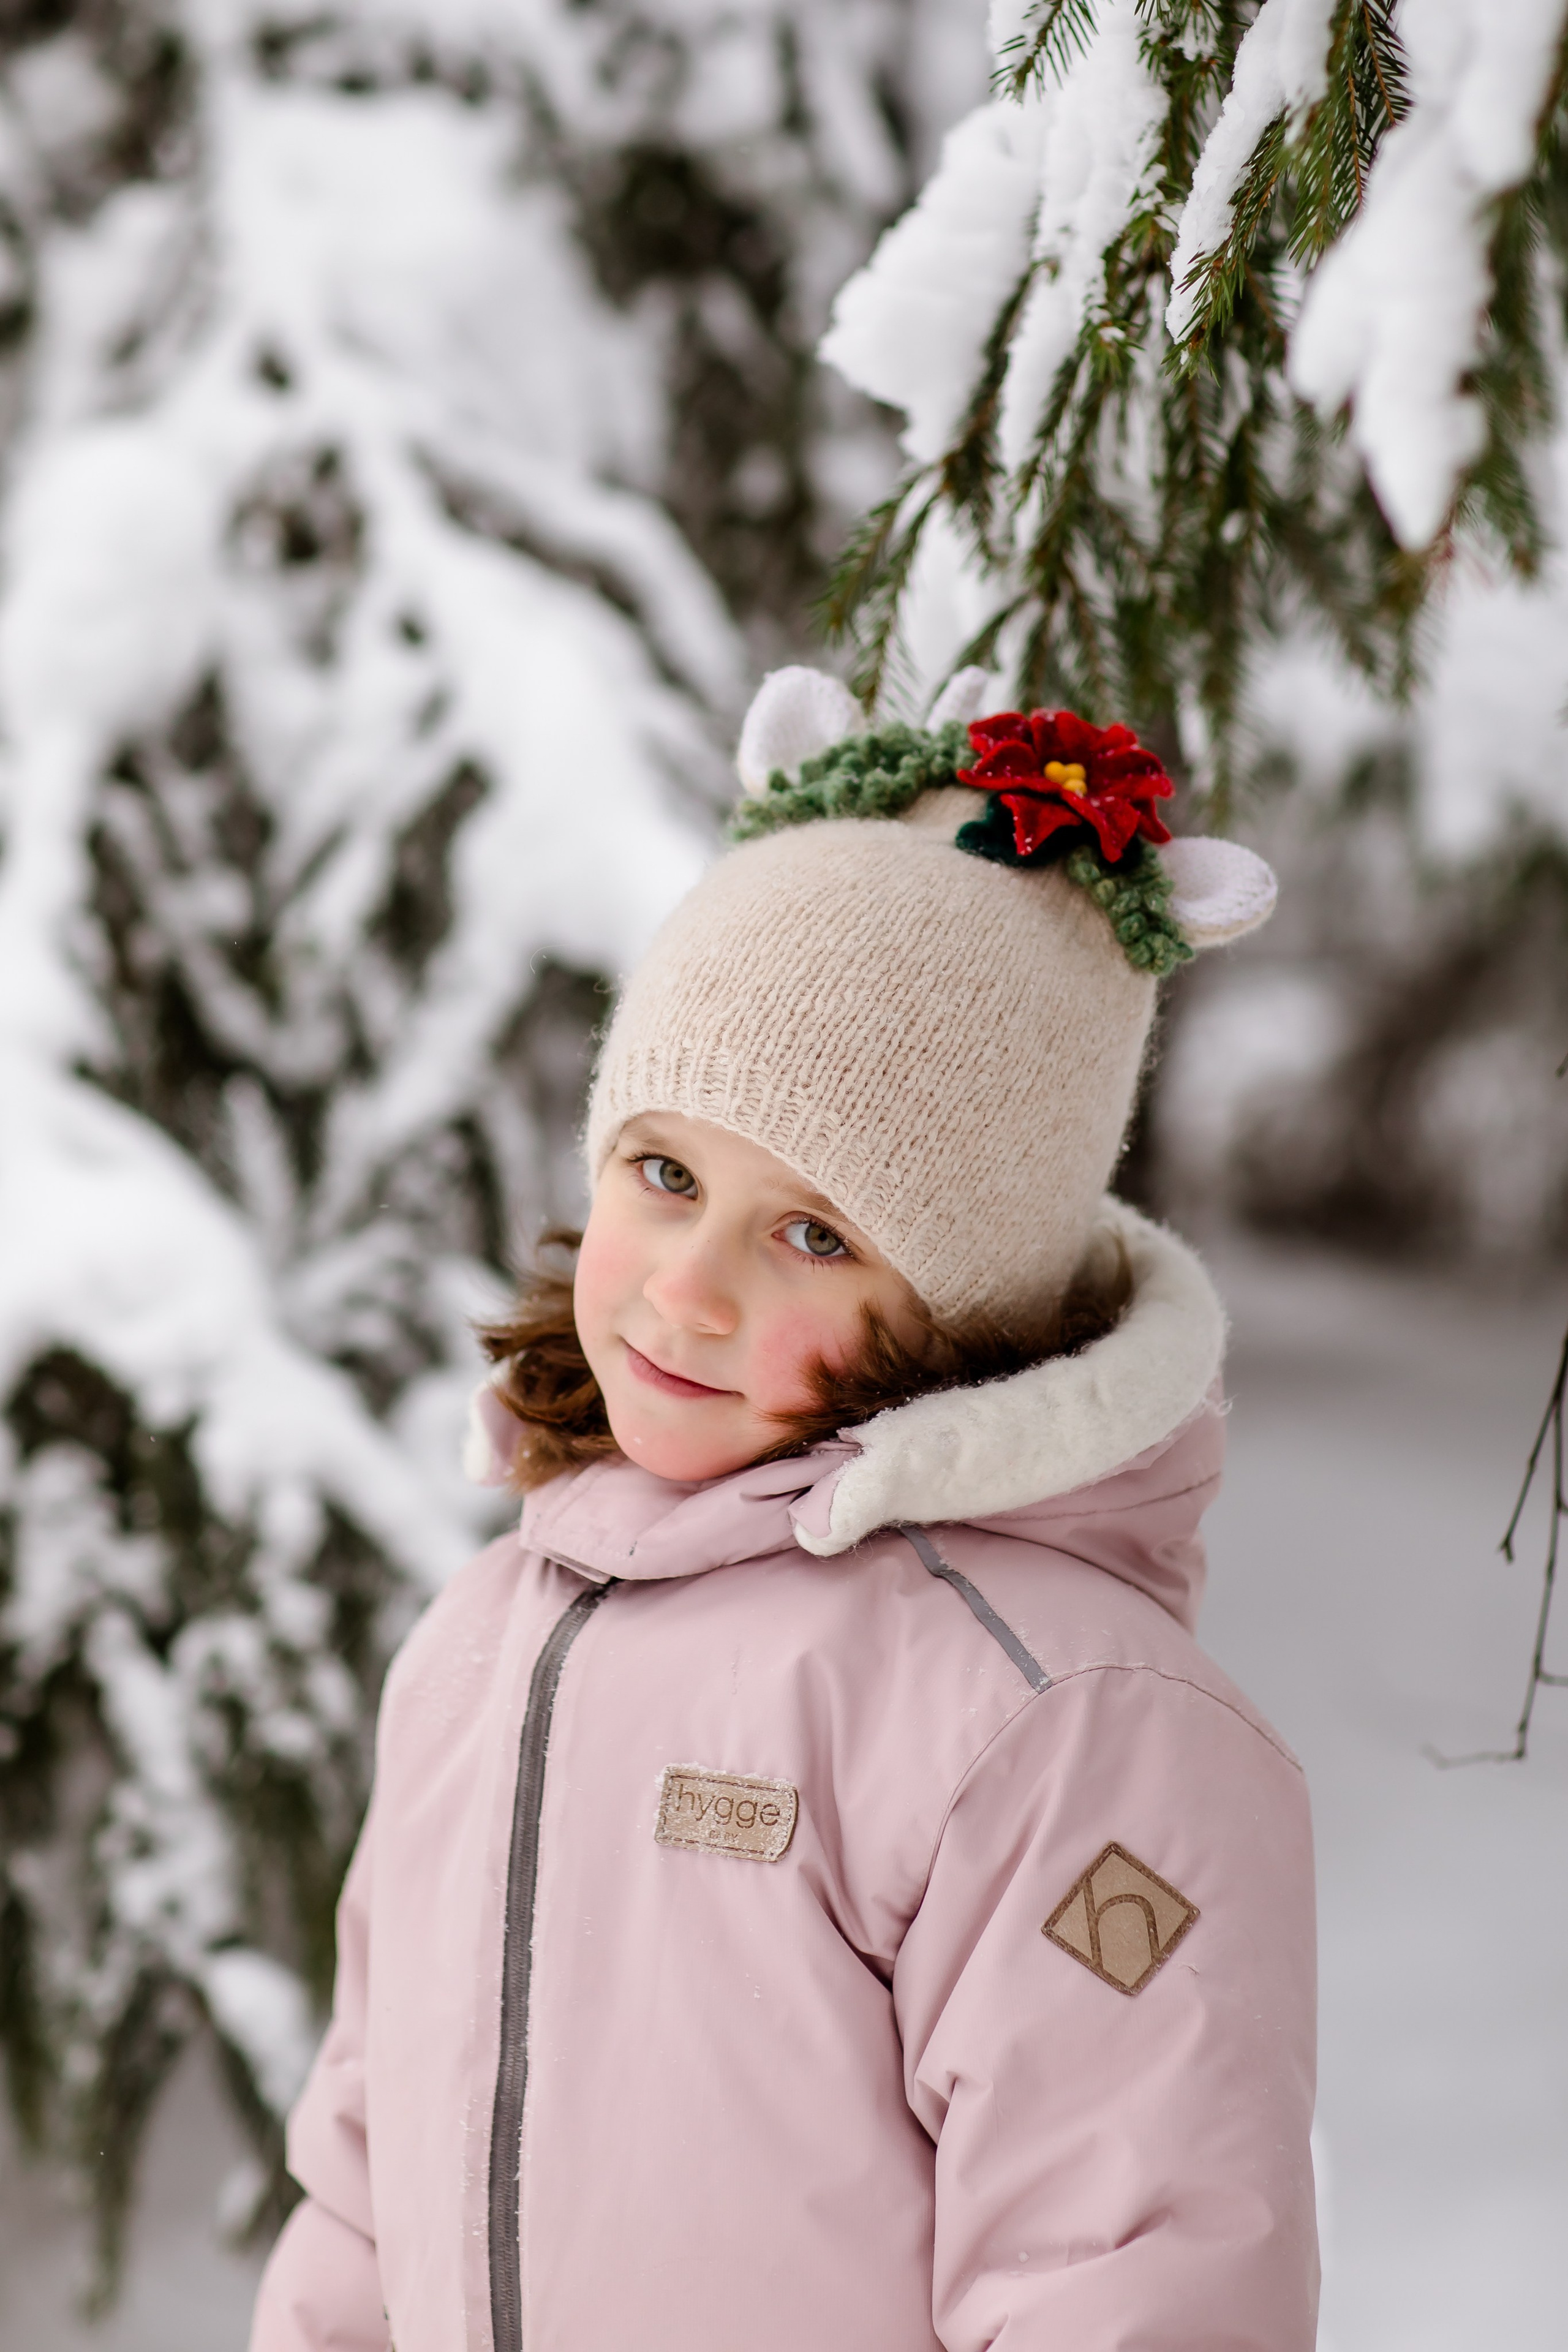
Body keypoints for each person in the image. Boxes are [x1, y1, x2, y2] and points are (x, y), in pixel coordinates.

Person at [250, 669, 1317, 2352]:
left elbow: (1130, 2273)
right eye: (665, 1175)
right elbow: (368, 2175)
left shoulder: (1056, 1723)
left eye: (815, 1235)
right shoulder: (484, 1642)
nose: (686, 1292)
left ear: (962, 1304)